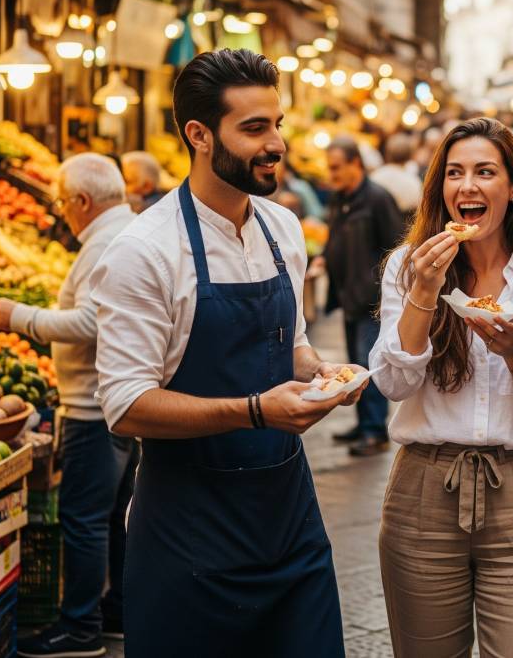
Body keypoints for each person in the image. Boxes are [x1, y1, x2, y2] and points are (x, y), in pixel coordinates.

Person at [90, 49, 363, 658]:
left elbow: (287, 345)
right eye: (254, 128)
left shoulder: (283, 228)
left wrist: (321, 371)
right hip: (189, 533)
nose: (276, 145)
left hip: (290, 522)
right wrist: (255, 411)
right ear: (199, 135)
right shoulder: (144, 252)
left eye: (277, 125)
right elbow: (126, 406)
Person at [371, 117, 513, 657]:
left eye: (485, 172)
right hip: (423, 490)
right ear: (439, 189)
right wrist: (424, 289)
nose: (467, 186)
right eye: (454, 173)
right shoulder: (407, 265)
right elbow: (393, 383)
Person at [0, 154, 137, 658]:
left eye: (61, 202)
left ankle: (80, 628)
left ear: (81, 201)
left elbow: (89, 323)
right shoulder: (122, 231)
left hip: (94, 408)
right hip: (112, 399)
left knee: (84, 519)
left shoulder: (107, 243)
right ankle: (115, 611)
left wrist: (19, 315)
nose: (61, 212)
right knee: (111, 515)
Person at [313, 135, 403, 456]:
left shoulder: (377, 199)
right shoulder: (339, 198)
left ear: (356, 165)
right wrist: (324, 256)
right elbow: (334, 235)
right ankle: (362, 422)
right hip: (348, 296)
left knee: (370, 365)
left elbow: (396, 247)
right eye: (329, 167)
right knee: (355, 364)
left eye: (337, 167)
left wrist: (384, 291)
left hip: (371, 300)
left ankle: (374, 430)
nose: (332, 174)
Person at [370, 132, 423, 219]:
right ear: (410, 155)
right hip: (403, 229)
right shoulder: (413, 182)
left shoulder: (375, 176)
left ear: (387, 153)